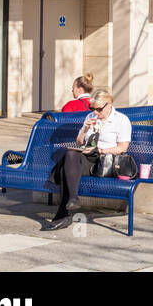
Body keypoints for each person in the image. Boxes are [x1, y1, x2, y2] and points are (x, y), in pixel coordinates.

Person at [45, 88, 132, 229]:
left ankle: (63, 215)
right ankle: (73, 198)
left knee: (64, 168)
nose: (96, 113)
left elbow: (122, 148)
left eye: (99, 109)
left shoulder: (121, 120)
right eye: (93, 108)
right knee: (70, 154)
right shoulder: (90, 117)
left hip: (105, 160)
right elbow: (79, 142)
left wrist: (100, 150)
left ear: (109, 104)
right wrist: (85, 129)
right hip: (87, 156)